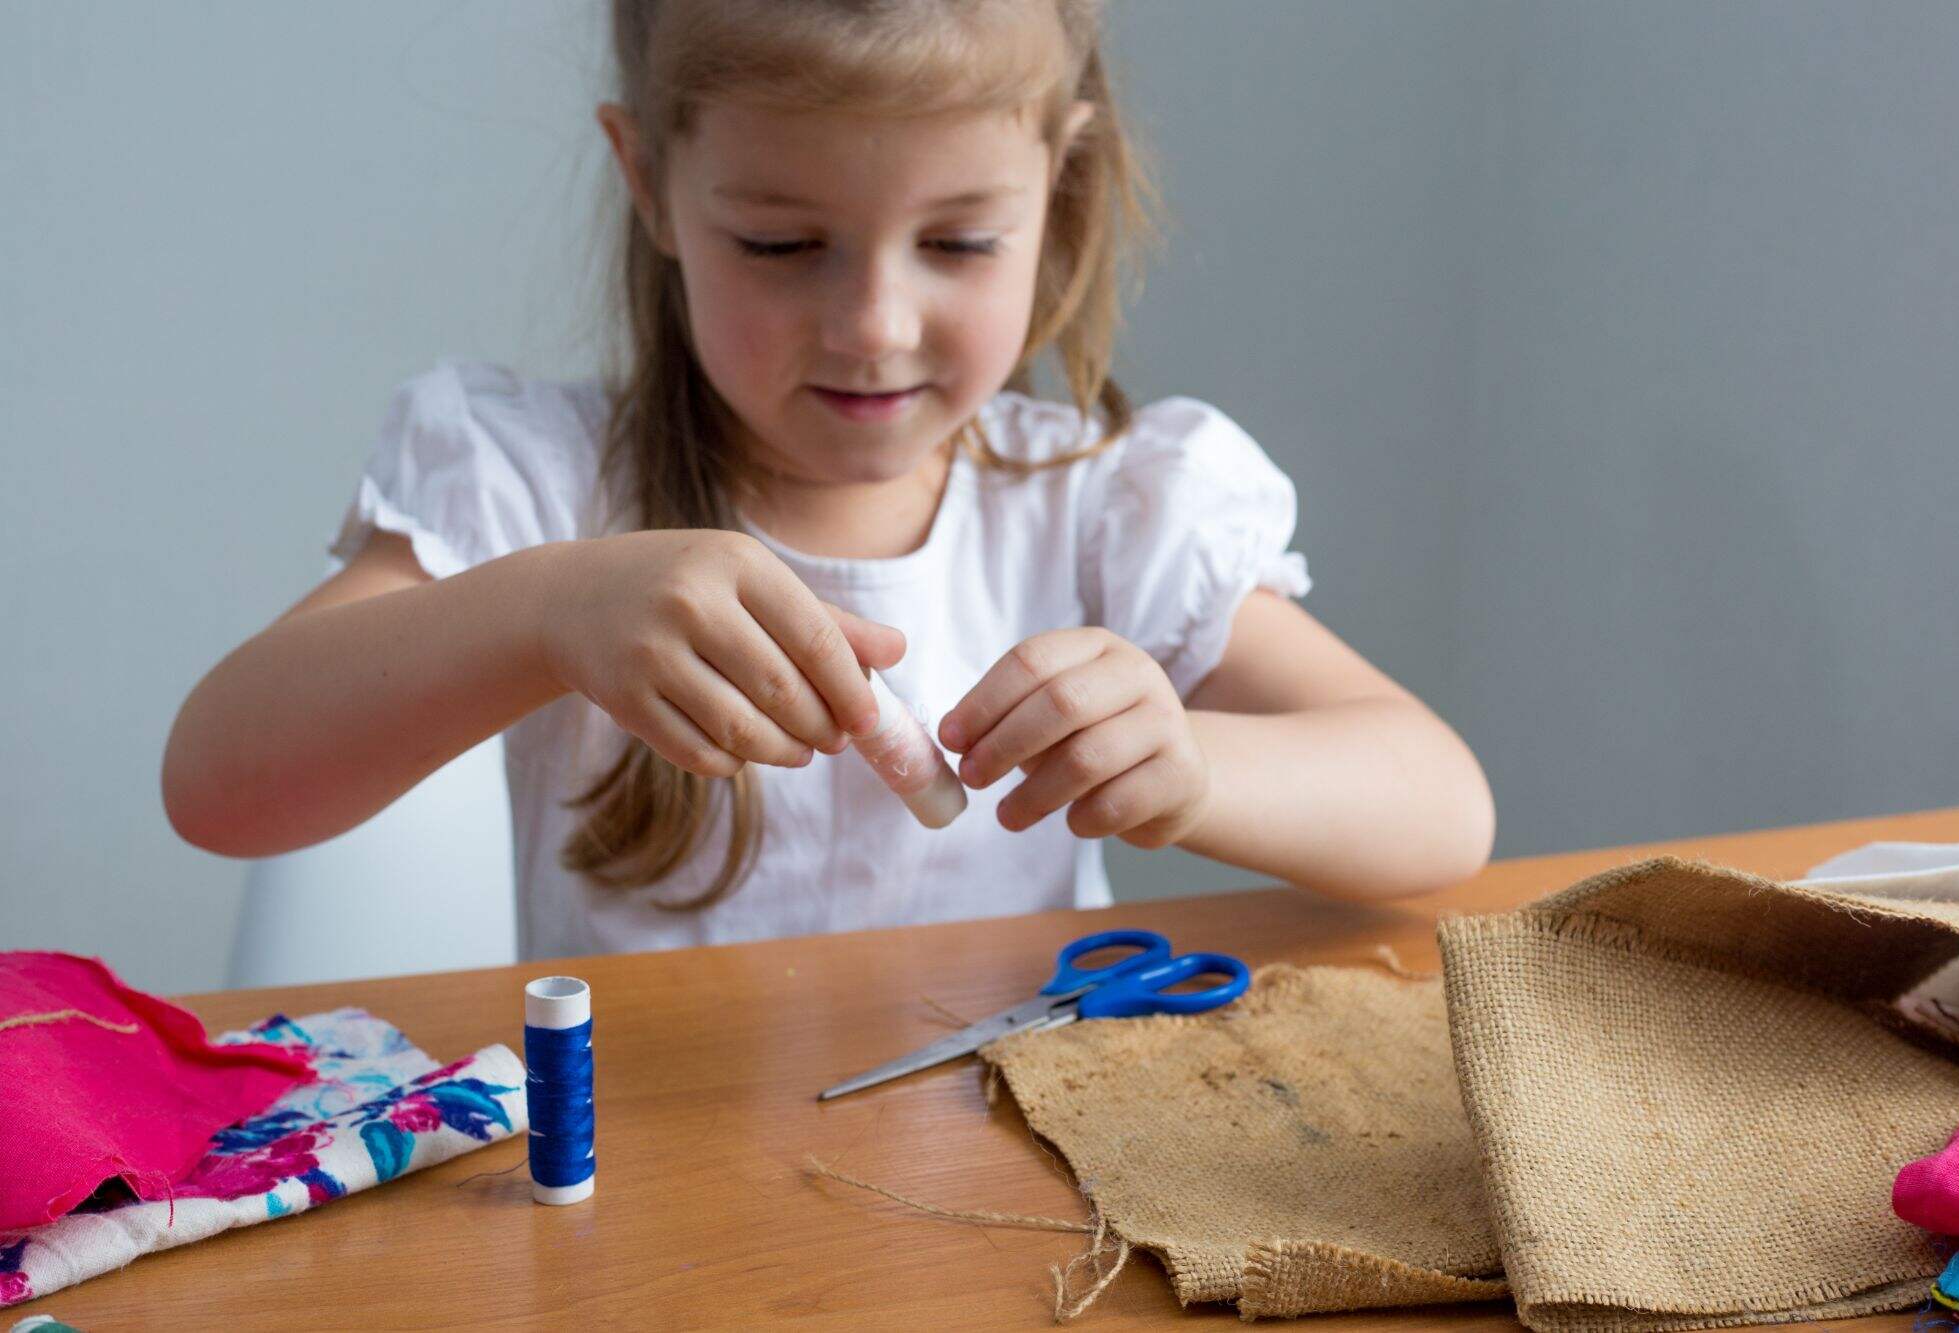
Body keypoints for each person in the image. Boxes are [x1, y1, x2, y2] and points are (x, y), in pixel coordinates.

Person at [162, 0, 1495, 959]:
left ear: (1061, 184)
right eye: (784, 242)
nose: (872, 321)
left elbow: (1442, 806)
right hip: (654, 1217)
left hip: (992, 1213)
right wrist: (540, 612)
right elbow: (221, 782)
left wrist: (1194, 769)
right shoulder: (540, 487)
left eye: (961, 241)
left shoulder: (1107, 506)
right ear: (651, 183)